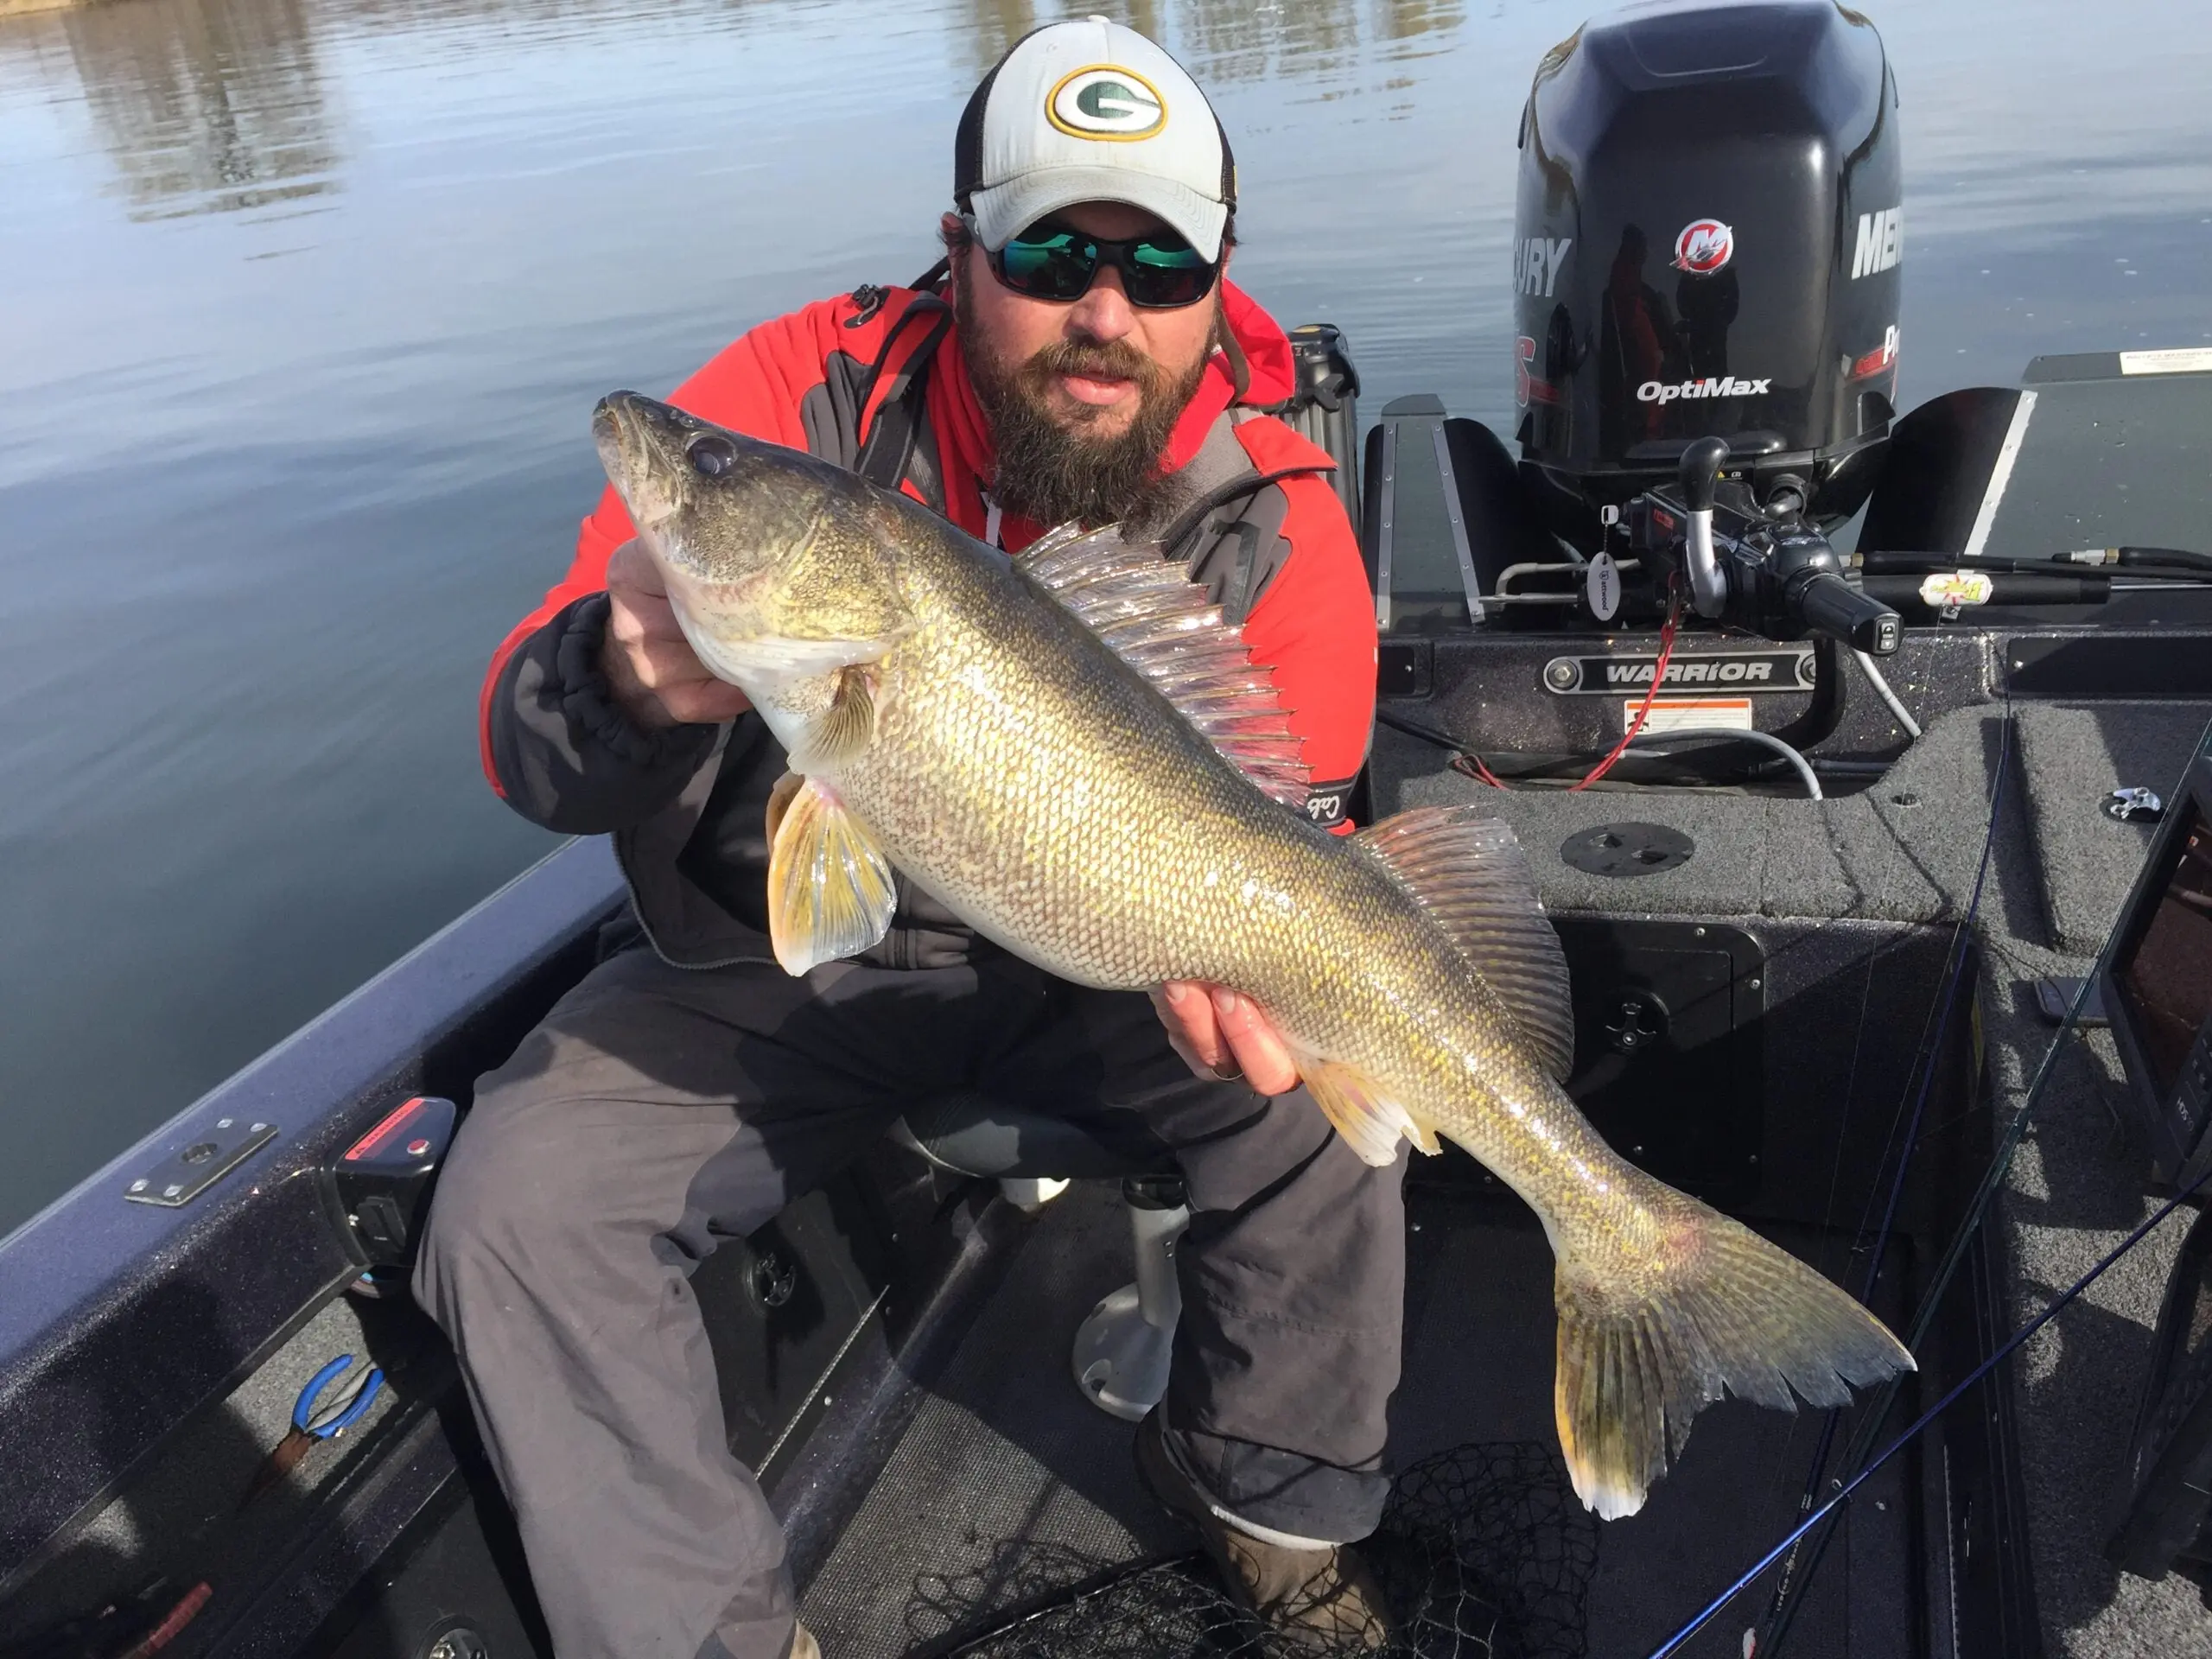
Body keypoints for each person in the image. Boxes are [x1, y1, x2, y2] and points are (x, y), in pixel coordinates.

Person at [415, 18, 1399, 1659]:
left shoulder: (1281, 511)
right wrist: (614, 678)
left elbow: (1299, 818)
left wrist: (1255, 984)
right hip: (784, 959)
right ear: (959, 255)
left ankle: (1277, 1516)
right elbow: (525, 748)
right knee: (520, 1200)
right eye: (1053, 251)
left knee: (1325, 1108)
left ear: (1219, 288)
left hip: (1115, 950)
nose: (1106, 313)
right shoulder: (789, 403)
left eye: (1162, 269)